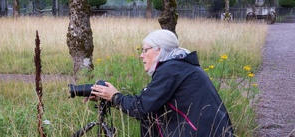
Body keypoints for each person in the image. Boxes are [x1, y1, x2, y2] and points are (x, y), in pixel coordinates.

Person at [89, 29, 234, 137]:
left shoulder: (172, 69)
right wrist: (110, 96)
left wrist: (115, 97)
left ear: (159, 50)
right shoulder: (181, 66)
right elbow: (149, 101)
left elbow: (142, 108)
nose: (141, 55)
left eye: (145, 50)